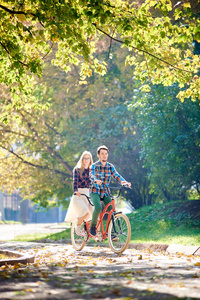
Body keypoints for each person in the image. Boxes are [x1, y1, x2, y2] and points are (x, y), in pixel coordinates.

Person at [89, 145, 131, 236]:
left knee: (112, 211)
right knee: (98, 207)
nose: (104, 155)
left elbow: (117, 175)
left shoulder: (110, 166)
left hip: (105, 192)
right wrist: (96, 180)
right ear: (98, 155)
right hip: (95, 191)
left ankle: (110, 232)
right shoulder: (94, 166)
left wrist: (124, 182)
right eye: (102, 154)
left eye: (106, 154)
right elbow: (91, 175)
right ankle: (92, 226)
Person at [65, 151, 94, 235]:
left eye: (88, 158)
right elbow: (75, 182)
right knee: (85, 211)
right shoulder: (77, 170)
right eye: (85, 158)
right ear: (82, 159)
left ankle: (95, 233)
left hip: (88, 194)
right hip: (79, 195)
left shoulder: (91, 171)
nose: (86, 160)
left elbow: (94, 182)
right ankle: (77, 228)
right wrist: (76, 191)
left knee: (94, 213)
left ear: (90, 160)